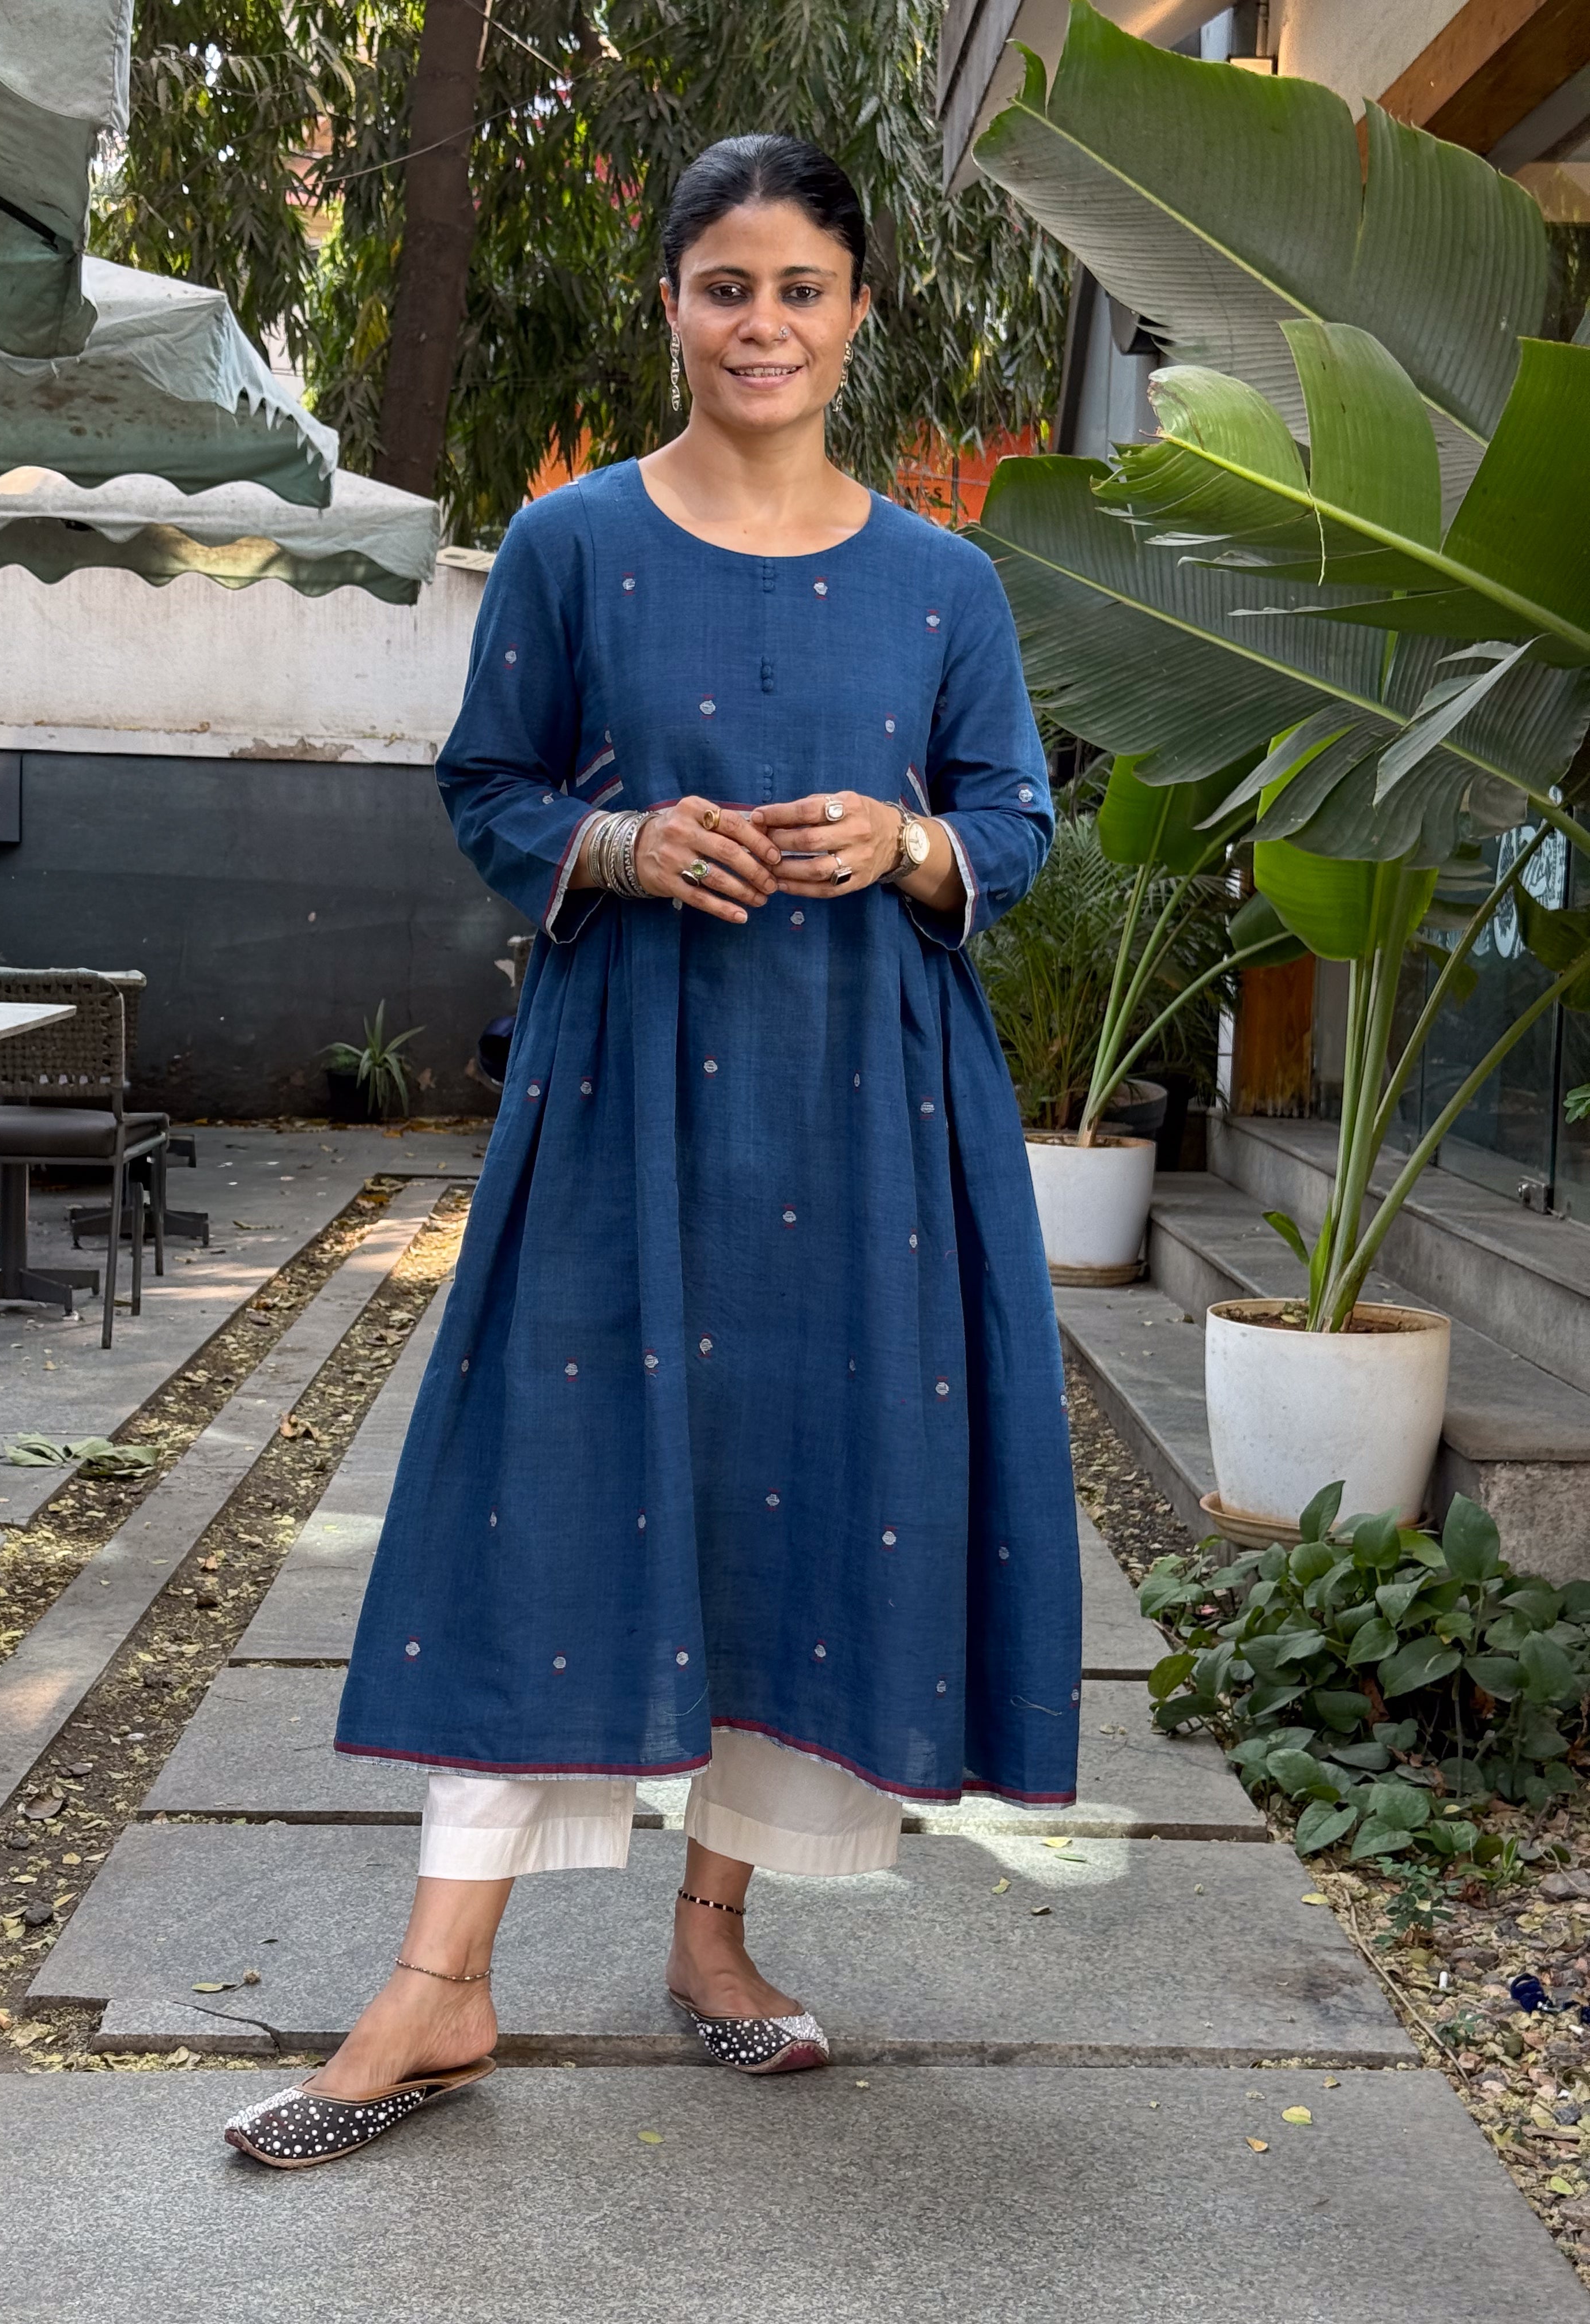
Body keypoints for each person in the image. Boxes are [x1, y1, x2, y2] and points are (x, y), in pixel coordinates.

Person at [225, 131, 1080, 2171]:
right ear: (674, 305)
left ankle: (715, 1937)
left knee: (818, 1492)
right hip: (626, 1093)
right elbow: (489, 783)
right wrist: (614, 843)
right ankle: (440, 1983)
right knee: (548, 1476)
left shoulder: (945, 582)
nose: (762, 326)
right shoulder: (572, 542)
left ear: (856, 312)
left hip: (870, 1108)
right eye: (725, 288)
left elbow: (1017, 819)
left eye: (800, 289)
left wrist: (911, 840)